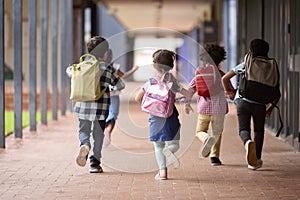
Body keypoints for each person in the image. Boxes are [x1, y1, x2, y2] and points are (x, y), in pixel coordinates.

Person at [66, 36, 125, 173]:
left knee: (83, 131)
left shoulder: (81, 66)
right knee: (98, 134)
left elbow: (69, 72)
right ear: (105, 52)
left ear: (89, 50)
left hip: (82, 107)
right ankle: (95, 163)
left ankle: (85, 145)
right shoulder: (107, 68)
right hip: (101, 108)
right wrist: (109, 87)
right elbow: (121, 85)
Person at [222, 38, 281, 170]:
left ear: (251, 51)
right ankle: (255, 161)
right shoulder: (271, 67)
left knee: (243, 130)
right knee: (259, 131)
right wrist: (270, 108)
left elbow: (224, 78)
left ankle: (247, 142)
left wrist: (229, 91)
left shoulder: (247, 63)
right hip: (261, 105)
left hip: (243, 101)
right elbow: (278, 94)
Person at [135, 49, 192, 180]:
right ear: (171, 65)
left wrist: (153, 106)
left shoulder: (150, 82)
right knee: (175, 143)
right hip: (171, 116)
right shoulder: (173, 82)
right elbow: (187, 94)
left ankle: (162, 173)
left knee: (158, 145)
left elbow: (138, 98)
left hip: (155, 118)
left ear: (154, 65)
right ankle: (170, 151)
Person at [184, 43, 232, 166]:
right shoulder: (222, 75)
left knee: (200, 131)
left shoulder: (199, 73)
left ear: (203, 58)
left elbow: (190, 90)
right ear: (221, 59)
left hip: (204, 108)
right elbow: (230, 92)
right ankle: (215, 157)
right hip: (219, 110)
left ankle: (205, 138)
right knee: (217, 133)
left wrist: (187, 103)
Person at [103, 49, 139, 147]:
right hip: (113, 93)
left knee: (102, 114)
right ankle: (108, 130)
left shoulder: (97, 66)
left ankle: (104, 131)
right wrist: (134, 69)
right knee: (113, 114)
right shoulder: (114, 67)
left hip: (101, 94)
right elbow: (124, 76)